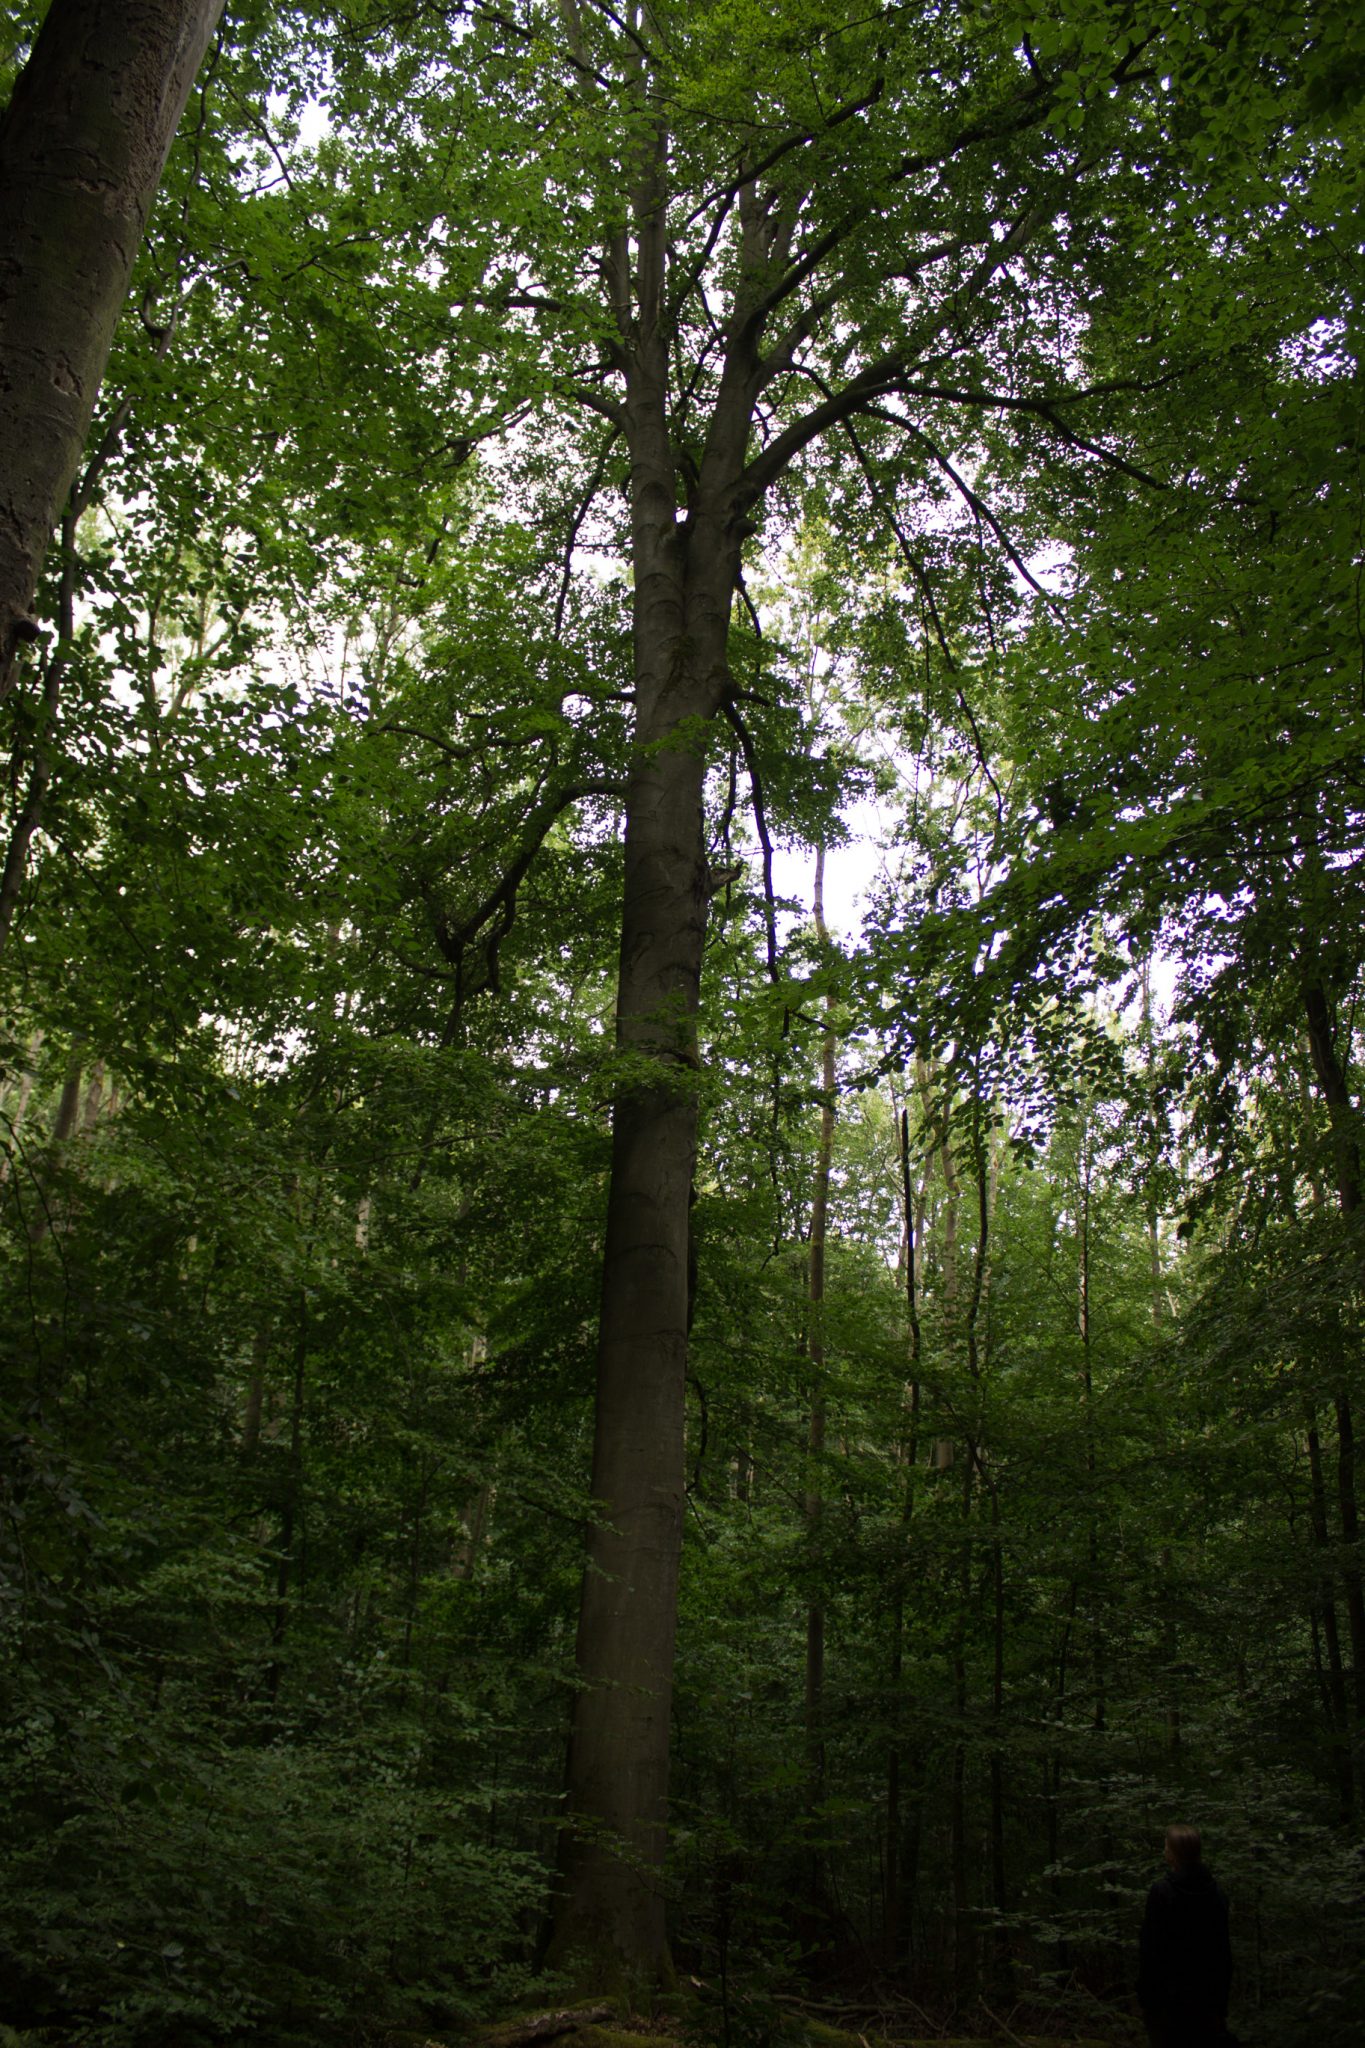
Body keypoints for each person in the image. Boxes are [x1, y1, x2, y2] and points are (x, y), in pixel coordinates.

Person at [1137, 1824, 1233, 2048]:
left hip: (1169, 2000)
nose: (1164, 1850)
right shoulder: (1217, 1894)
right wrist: (1221, 2000)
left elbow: (1151, 1949)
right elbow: (1223, 1953)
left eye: (1166, 1846)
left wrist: (1147, 1995)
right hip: (1207, 1997)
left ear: (1172, 1853)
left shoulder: (1162, 1892)